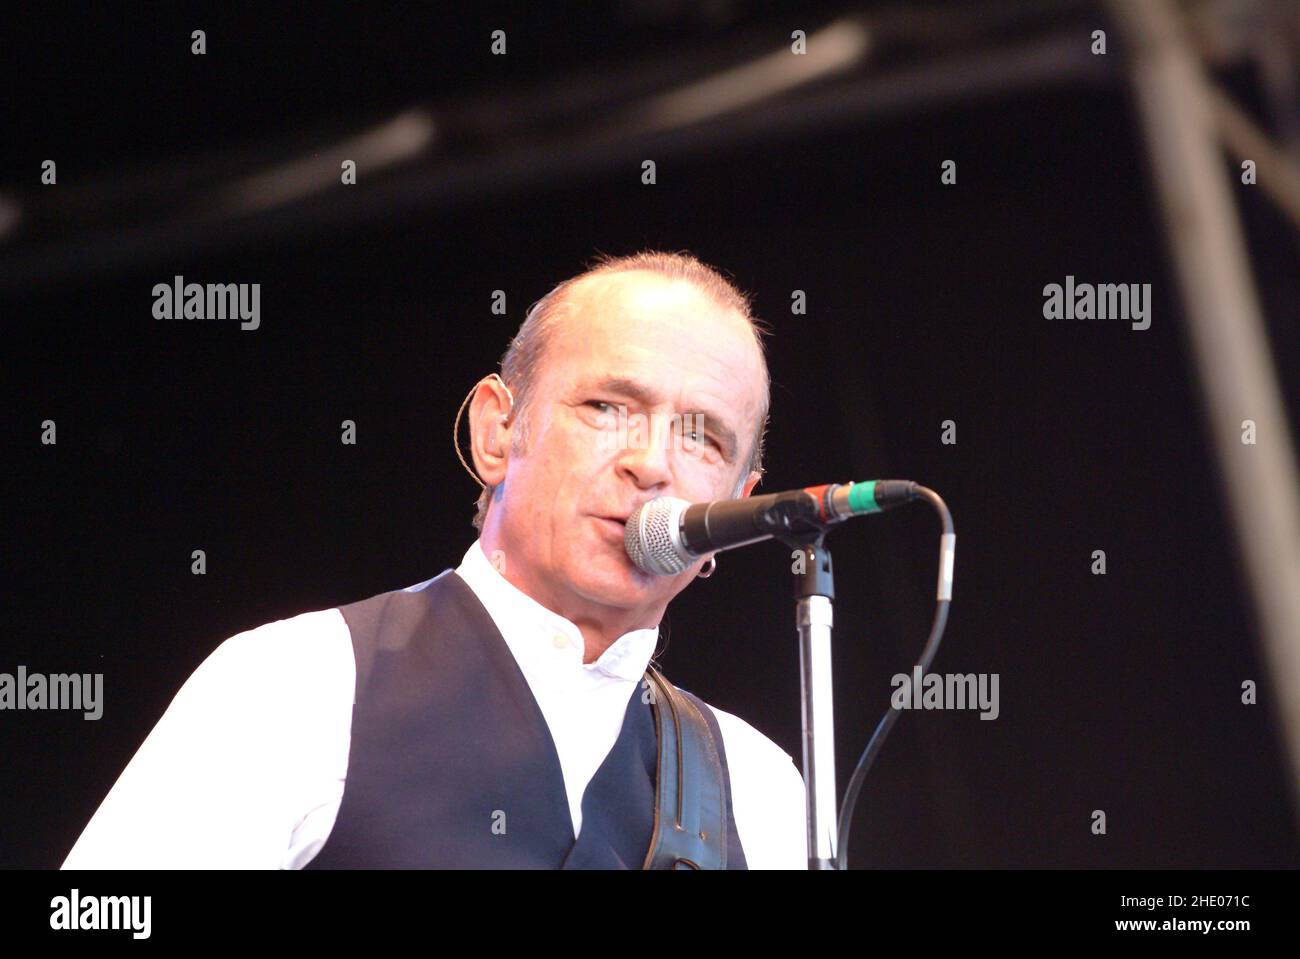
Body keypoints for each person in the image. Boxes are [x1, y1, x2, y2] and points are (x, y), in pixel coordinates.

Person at [62, 250, 808, 869]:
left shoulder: (758, 786)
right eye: (607, 407)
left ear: (736, 507)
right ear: (497, 432)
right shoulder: (299, 680)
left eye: (701, 436)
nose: (652, 464)